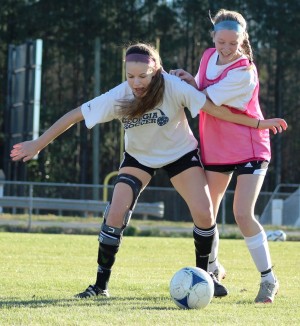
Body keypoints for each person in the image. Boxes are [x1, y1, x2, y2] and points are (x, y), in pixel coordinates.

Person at [10, 42, 286, 300]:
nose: (136, 82)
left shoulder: (174, 87)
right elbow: (75, 115)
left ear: (156, 71)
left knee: (205, 213)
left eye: (143, 76)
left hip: (180, 155)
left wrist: (258, 125)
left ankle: (205, 278)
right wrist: (38, 144)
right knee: (115, 211)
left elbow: (215, 109)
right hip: (139, 158)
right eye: (131, 76)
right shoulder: (121, 95)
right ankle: (100, 286)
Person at [170, 9, 288, 303]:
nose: (225, 48)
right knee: (207, 213)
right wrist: (189, 80)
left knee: (242, 214)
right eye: (221, 41)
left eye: (232, 43)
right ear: (213, 38)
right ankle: (212, 269)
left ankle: (268, 279)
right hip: (216, 145)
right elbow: (202, 88)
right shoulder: (208, 56)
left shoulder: (244, 71)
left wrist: (260, 124)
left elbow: (209, 105)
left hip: (250, 145)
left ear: (243, 40)